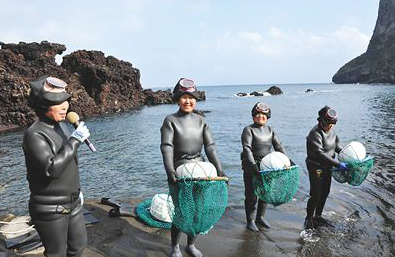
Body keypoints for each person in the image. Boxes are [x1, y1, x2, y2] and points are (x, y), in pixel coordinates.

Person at [23, 75, 91, 256]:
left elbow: (69, 161)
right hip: (50, 209)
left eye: (65, 101)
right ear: (43, 106)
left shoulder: (61, 126)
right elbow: (51, 168)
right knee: (57, 253)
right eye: (58, 102)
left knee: (78, 246)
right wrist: (75, 140)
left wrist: (77, 190)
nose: (65, 106)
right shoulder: (34, 135)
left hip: (73, 202)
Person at [160, 78, 227, 257]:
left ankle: (191, 244)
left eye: (191, 97)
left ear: (196, 99)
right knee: (181, 210)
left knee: (198, 210)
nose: (188, 101)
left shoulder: (201, 121)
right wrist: (170, 171)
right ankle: (174, 246)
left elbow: (210, 146)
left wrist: (219, 170)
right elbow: (167, 146)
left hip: (200, 169)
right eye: (183, 97)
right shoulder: (170, 120)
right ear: (177, 99)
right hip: (180, 169)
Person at [241, 102, 286, 232]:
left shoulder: (270, 130)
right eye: (257, 114)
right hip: (251, 167)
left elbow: (279, 147)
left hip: (267, 167)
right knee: (251, 196)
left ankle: (260, 217)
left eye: (263, 114)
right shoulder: (248, 130)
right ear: (253, 116)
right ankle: (250, 220)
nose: (260, 116)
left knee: (265, 193)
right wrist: (254, 166)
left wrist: (287, 160)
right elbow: (247, 149)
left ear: (268, 116)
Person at [304, 106, 349, 229]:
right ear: (321, 120)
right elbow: (319, 153)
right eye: (328, 123)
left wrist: (350, 155)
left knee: (325, 192)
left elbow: (338, 147)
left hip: (327, 167)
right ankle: (309, 218)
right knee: (316, 194)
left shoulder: (332, 133)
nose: (331, 126)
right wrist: (338, 164)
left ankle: (317, 216)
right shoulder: (315, 134)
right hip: (316, 167)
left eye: (332, 123)